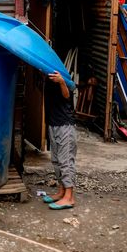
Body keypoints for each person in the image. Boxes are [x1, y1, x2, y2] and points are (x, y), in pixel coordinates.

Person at [42, 71, 77, 210]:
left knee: (66, 161)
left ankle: (69, 197)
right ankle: (62, 191)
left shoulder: (60, 76)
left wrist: (62, 82)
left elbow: (67, 96)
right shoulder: (46, 77)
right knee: (56, 160)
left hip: (65, 126)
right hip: (53, 124)